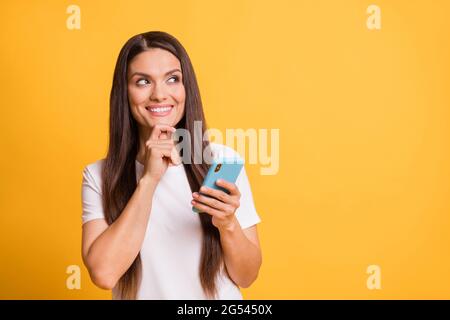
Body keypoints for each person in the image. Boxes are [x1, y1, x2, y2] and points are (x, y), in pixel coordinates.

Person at [81, 31, 262, 300]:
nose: (160, 94)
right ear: (125, 92)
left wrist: (228, 225)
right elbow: (104, 274)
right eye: (143, 82)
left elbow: (247, 276)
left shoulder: (220, 162)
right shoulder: (99, 176)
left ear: (186, 87)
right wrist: (149, 180)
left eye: (172, 79)